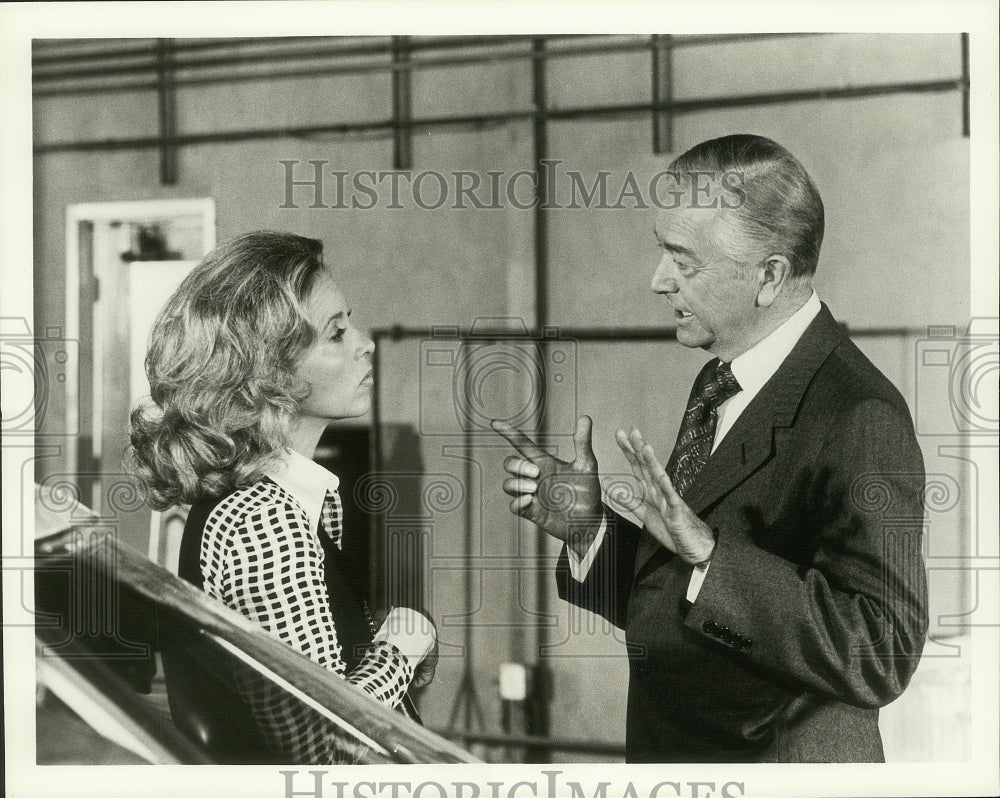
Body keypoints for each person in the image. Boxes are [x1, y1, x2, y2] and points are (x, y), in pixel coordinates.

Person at [493, 134, 928, 763]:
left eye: (682, 260)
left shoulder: (860, 414)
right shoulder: (722, 378)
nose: (657, 280)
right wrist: (588, 528)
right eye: (660, 252)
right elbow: (685, 606)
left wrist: (710, 555)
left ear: (769, 276)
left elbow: (880, 651)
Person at [128, 231, 436, 763]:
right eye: (335, 334)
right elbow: (325, 752)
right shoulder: (261, 518)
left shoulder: (290, 497)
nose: (365, 342)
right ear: (269, 374)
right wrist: (404, 646)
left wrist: (378, 649)